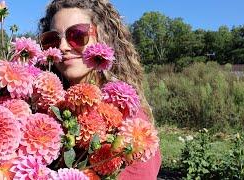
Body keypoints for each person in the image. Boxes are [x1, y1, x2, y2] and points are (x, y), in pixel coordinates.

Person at [38, 0, 161, 179]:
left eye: (77, 35)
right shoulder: (41, 107)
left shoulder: (129, 120)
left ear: (103, 38)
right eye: (53, 39)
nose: (62, 47)